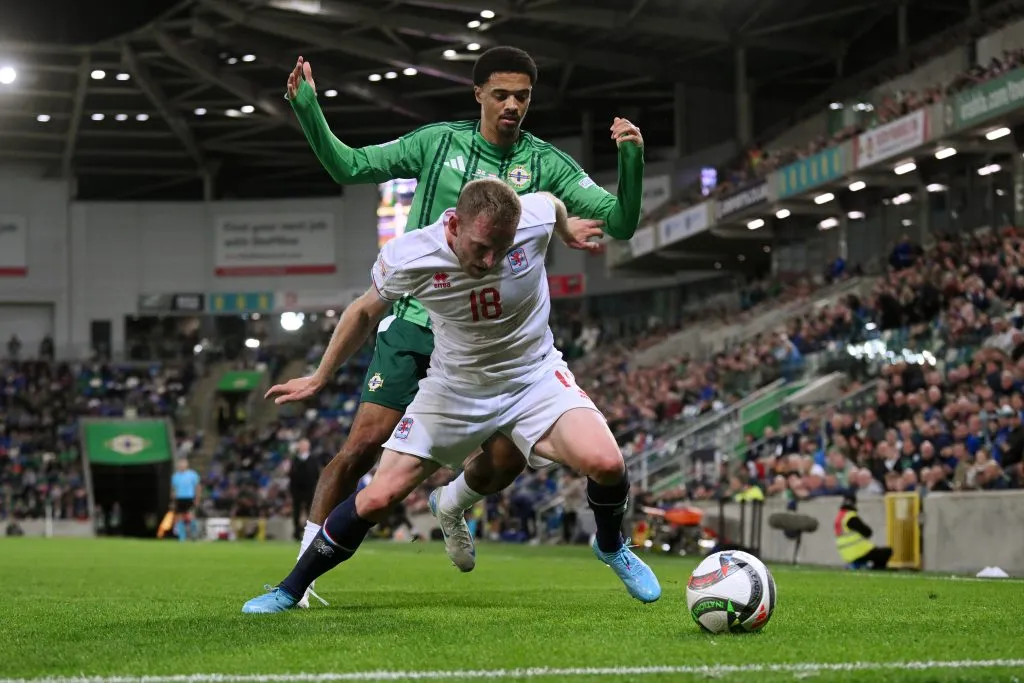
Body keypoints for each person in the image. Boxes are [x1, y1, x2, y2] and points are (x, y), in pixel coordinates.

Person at [285, 45, 645, 604]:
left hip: (493, 341)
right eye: (500, 93)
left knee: (506, 458)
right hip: (417, 320)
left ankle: (452, 503)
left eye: (522, 96)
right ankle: (303, 572)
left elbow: (619, 221)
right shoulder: (437, 143)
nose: (511, 105)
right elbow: (348, 165)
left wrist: (630, 161)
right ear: (478, 93)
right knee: (363, 445)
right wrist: (308, 109)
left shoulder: (545, 164)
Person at [241, 181, 660, 613]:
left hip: (533, 378)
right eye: (480, 247)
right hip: (454, 389)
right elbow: (365, 310)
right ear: (454, 224)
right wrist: (320, 376)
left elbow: (551, 205)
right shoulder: (410, 255)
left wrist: (566, 228)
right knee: (379, 496)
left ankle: (611, 547)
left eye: (501, 246)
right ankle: (289, 590)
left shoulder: (533, 217)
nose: (490, 260)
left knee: (608, 463)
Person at [834, 493, 892, 570]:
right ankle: (875, 570)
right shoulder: (851, 517)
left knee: (874, 553)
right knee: (886, 552)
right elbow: (868, 532)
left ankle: (857, 565)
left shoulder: (839, 517)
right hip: (858, 551)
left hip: (845, 553)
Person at [288, 438, 320, 541]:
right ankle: (297, 532)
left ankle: (309, 532)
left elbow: (316, 474)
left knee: (309, 511)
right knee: (296, 512)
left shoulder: (313, 459)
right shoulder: (295, 459)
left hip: (309, 489)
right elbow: (291, 475)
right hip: (297, 490)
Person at [170, 458, 201, 542]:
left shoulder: (193, 475)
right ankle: (182, 537)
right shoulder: (175, 476)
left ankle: (194, 535)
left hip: (189, 498)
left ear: (187, 464)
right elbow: (174, 489)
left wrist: (197, 498)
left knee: (191, 516)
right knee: (179, 518)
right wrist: (173, 500)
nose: (181, 465)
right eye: (180, 464)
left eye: (183, 463)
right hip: (179, 499)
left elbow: (197, 487)